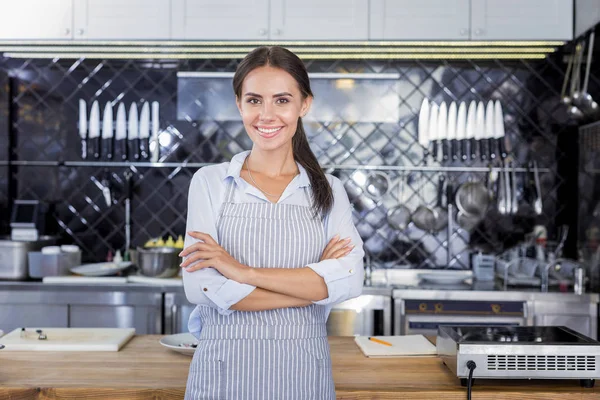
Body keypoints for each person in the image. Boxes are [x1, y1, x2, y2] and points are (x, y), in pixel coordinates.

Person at [180, 45, 365, 400]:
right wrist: (313, 287)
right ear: (239, 104)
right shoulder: (210, 182)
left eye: (282, 100)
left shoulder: (329, 190)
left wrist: (241, 272)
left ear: (304, 104)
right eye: (254, 100)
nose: (267, 114)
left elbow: (350, 281)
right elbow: (201, 287)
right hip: (223, 375)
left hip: (303, 375)